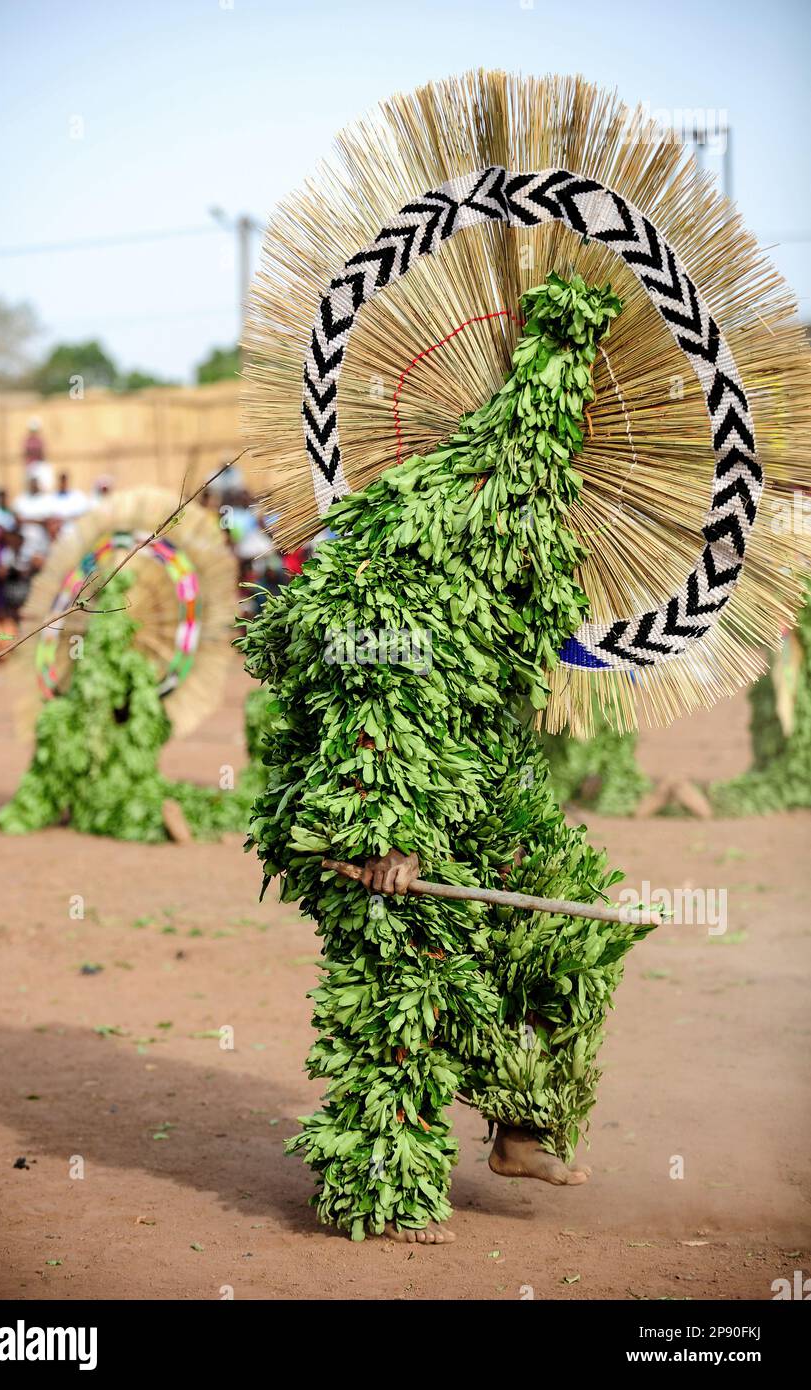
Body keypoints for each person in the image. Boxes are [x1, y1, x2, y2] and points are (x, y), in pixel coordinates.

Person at [244, 275, 653, 1243]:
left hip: (475, 794)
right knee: (411, 993)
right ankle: (379, 1194)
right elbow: (366, 703)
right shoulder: (404, 548)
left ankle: (520, 1123)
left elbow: (506, 680)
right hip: (365, 811)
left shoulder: (519, 546)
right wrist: (378, 837)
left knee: (568, 937)